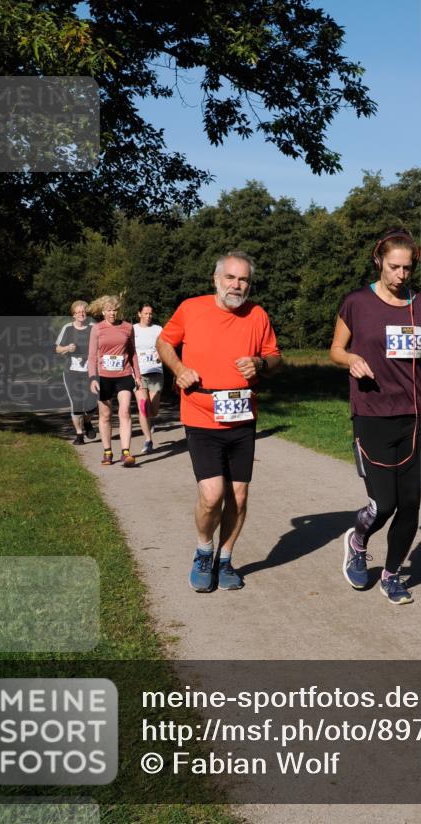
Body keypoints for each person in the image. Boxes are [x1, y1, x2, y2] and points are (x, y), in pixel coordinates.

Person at [330, 228, 421, 605]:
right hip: (373, 413)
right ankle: (358, 538)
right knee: (384, 503)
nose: (400, 275)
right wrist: (351, 359)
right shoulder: (357, 303)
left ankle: (393, 574)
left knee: (410, 502)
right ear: (379, 261)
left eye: (407, 269)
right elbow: (335, 349)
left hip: (417, 416)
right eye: (394, 267)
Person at [156, 252, 281, 592]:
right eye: (230, 277)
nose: (236, 285)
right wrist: (180, 370)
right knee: (212, 495)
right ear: (216, 279)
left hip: (242, 415)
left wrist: (261, 364)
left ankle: (225, 559)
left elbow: (275, 356)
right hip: (200, 412)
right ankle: (203, 550)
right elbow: (164, 342)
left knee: (238, 497)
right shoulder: (191, 308)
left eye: (243, 280)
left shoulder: (257, 314)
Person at [88, 295, 142, 467]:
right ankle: (107, 451)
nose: (112, 313)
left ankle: (126, 452)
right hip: (104, 376)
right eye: (109, 310)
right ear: (103, 311)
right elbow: (91, 356)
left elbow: (133, 353)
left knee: (125, 411)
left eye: (115, 310)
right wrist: (92, 377)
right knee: (105, 415)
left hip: (124, 374)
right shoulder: (97, 329)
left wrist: (138, 376)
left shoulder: (127, 327)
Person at [55, 300, 97, 444]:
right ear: (73, 315)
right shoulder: (67, 328)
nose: (81, 314)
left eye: (83, 311)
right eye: (78, 312)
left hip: (90, 371)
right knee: (77, 402)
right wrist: (67, 348)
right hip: (71, 372)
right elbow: (57, 349)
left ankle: (87, 422)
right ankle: (79, 435)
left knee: (92, 403)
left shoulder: (93, 327)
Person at [133, 301, 163, 454]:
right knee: (143, 405)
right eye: (145, 313)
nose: (148, 316)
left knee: (153, 410)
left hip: (155, 371)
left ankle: (151, 420)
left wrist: (161, 353)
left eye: (150, 313)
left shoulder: (158, 329)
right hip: (138, 373)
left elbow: (165, 346)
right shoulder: (133, 330)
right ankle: (148, 440)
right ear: (139, 314)